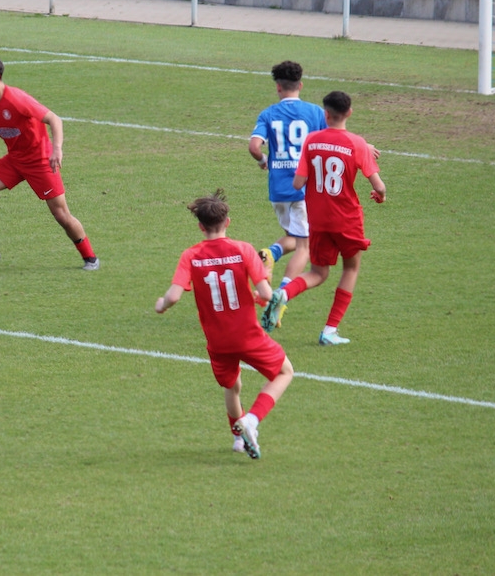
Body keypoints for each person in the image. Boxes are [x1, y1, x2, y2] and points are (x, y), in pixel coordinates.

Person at [155, 189, 295, 460]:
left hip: (218, 342)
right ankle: (252, 420)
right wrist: (263, 289)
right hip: (247, 335)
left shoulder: (191, 255)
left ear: (200, 226)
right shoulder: (243, 249)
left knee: (232, 387)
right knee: (284, 372)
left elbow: (173, 296)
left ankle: (238, 440)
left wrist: (161, 304)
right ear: (227, 222)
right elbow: (266, 295)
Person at [0, 54, 99, 271]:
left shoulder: (17, 99)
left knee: (61, 214)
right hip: (15, 161)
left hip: (41, 163)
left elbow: (54, 119)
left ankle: (90, 257)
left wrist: (57, 149)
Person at [261, 91, 386, 346]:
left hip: (317, 219)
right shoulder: (357, 143)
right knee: (350, 268)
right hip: (347, 219)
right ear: (349, 113)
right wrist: (380, 195)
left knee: (318, 272)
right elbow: (379, 185)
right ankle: (330, 331)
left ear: (325, 114)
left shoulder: (311, 140)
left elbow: (298, 183)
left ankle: (283, 293)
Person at [248, 60, 326, 290]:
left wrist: (263, 161)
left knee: (295, 236)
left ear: (278, 87)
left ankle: (270, 253)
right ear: (300, 85)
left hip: (278, 190)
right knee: (304, 247)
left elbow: (254, 147)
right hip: (303, 189)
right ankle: (282, 295)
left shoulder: (268, 114)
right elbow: (333, 138)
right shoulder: (315, 112)